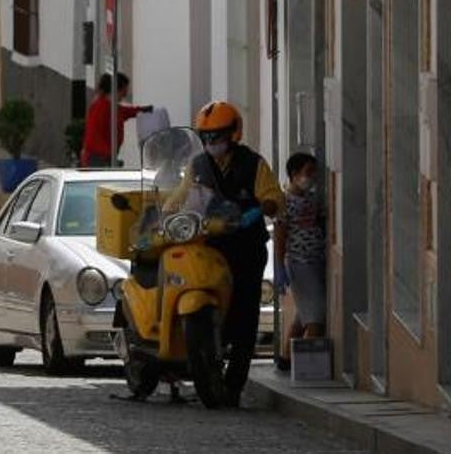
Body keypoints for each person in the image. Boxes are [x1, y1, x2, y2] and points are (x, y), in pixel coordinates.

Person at [166, 100, 284, 407]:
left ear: (233, 134)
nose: (211, 142)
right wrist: (164, 212)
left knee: (245, 315)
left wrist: (258, 211)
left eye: (216, 136)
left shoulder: (253, 164)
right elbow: (180, 197)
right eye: (205, 137)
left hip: (245, 248)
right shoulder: (198, 165)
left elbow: (274, 197)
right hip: (209, 246)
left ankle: (234, 384)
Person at [274, 152, 327, 371]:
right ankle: (307, 367)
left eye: (314, 173)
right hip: (299, 263)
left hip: (316, 261)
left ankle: (286, 359)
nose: (311, 177)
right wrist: (279, 266)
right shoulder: (284, 202)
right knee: (315, 319)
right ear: (294, 174)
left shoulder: (311, 199)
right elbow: (280, 236)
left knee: (303, 315)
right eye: (307, 172)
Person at [80, 72, 154, 167]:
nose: (125, 94)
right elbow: (94, 136)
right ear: (117, 89)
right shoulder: (101, 107)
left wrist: (144, 110)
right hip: (97, 158)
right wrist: (109, 156)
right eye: (124, 90)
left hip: (104, 156)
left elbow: (127, 111)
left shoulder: (112, 106)